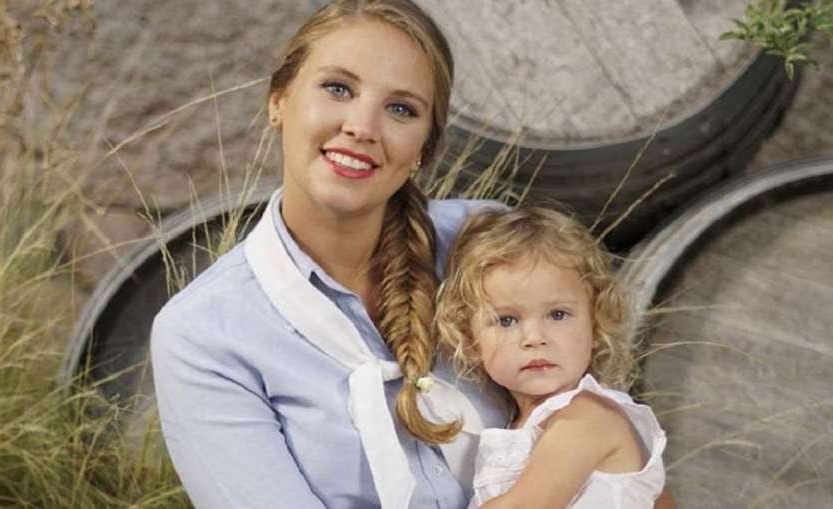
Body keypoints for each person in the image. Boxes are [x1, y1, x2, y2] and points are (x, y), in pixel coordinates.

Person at [151, 1, 676, 508]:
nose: (362, 127)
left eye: (401, 109)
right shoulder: (204, 336)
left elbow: (622, 470)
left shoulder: (486, 248)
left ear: (425, 145)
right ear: (278, 101)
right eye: (338, 88)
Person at [434, 206, 666, 508]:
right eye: (507, 320)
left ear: (596, 324)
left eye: (558, 314)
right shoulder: (518, 426)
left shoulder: (587, 418)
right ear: (471, 341)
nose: (534, 338)